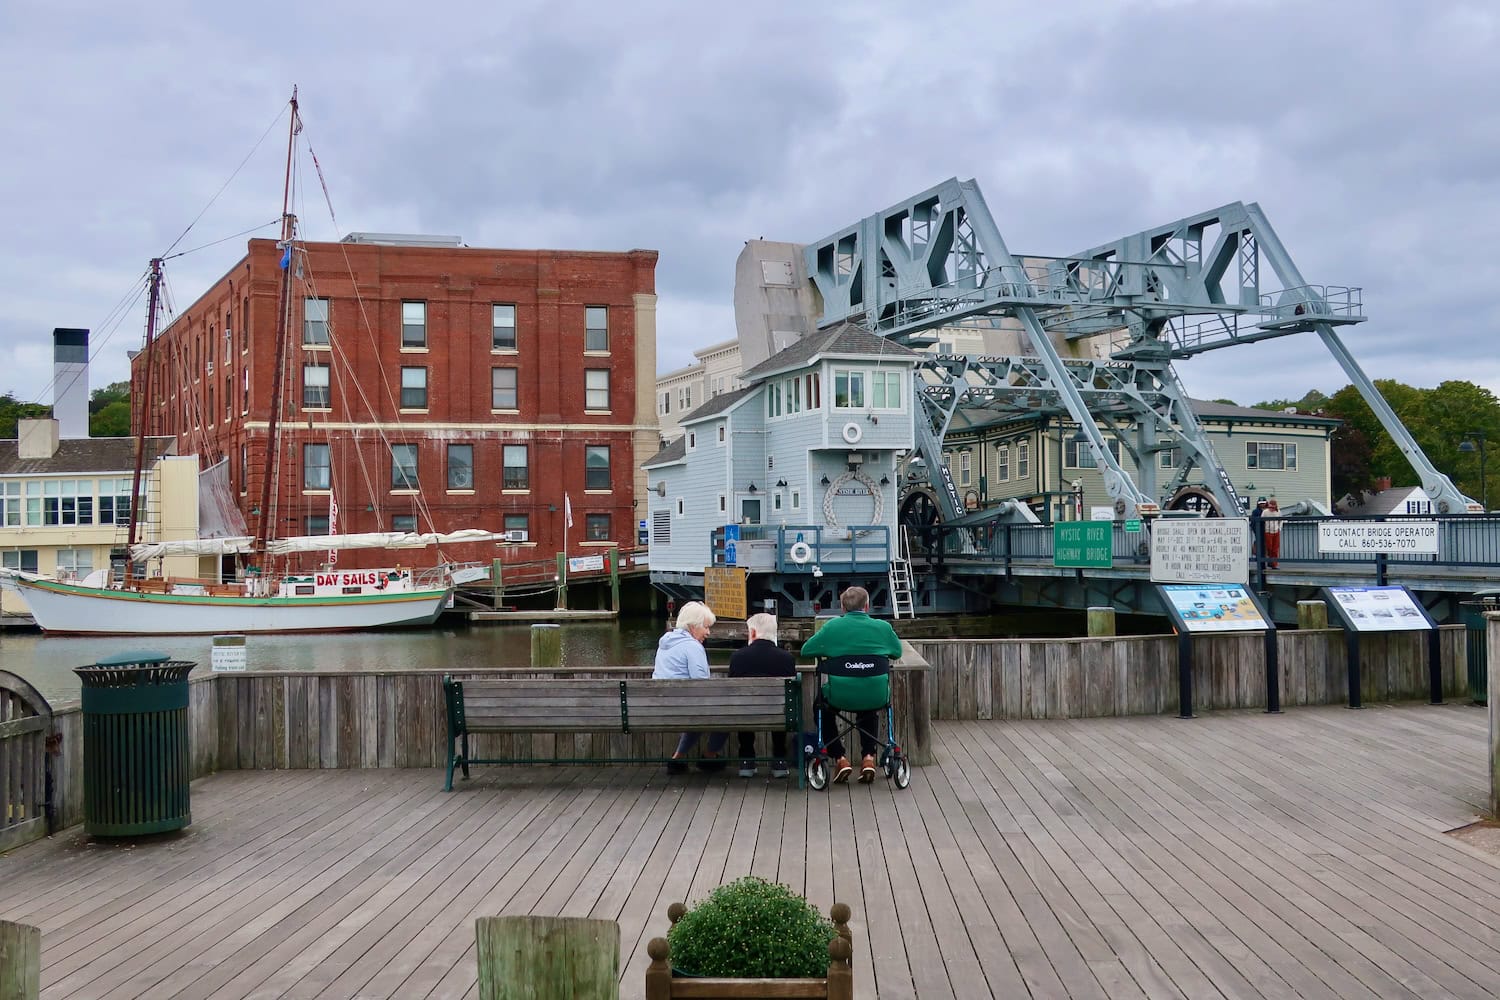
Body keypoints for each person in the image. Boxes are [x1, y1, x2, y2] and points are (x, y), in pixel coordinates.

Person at [800, 586, 902, 784]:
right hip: (875, 694)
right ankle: (868, 759)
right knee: (869, 705)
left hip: (841, 695)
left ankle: (839, 758)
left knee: (821, 706)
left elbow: (806, 650)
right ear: (867, 606)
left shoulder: (832, 627)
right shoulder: (882, 627)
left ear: (842, 607)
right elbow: (897, 652)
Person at [652, 601, 727, 772]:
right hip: (684, 708)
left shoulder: (664, 645)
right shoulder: (693, 647)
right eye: (706, 627)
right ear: (693, 627)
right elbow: (702, 685)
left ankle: (677, 759)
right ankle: (709, 756)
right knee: (727, 714)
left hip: (659, 708)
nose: (708, 632)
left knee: (696, 713)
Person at [729, 612, 797, 778]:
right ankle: (779, 760)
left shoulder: (738, 657)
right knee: (781, 707)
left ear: (752, 633)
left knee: (744, 707)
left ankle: (746, 760)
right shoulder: (786, 658)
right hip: (779, 717)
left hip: (746, 716)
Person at [1264, 497, 1282, 568]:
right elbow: (1261, 521)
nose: (1271, 508)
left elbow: (1281, 520)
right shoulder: (1265, 512)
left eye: (1273, 507)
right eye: (1270, 507)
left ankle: (1274, 564)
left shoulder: (1278, 512)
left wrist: (1279, 528)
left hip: (1276, 531)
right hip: (1267, 532)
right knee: (1269, 548)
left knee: (1275, 549)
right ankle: (1270, 561)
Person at [1249, 496, 1267, 563]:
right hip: (1259, 532)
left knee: (1267, 547)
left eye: (1263, 503)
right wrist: (1256, 531)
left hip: (1268, 531)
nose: (1262, 504)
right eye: (1261, 503)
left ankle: (1269, 562)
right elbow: (1253, 523)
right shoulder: (1255, 511)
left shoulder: (1268, 511)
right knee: (1260, 547)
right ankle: (1260, 561)